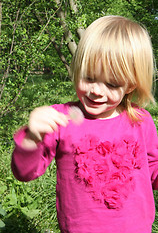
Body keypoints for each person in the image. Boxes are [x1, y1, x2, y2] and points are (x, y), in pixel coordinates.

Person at [11, 15, 158, 233]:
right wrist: (33, 138)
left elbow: (152, 169)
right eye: (89, 77)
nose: (96, 91)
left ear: (130, 86)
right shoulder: (61, 119)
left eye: (111, 83)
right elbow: (24, 172)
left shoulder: (141, 121)